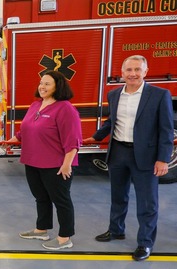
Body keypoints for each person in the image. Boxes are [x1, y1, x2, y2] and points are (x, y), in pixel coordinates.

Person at [83, 55, 173, 261]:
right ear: (122, 73)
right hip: (118, 153)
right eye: (129, 70)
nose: (133, 74)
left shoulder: (159, 95)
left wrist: (162, 159)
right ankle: (116, 230)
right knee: (118, 196)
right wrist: (96, 136)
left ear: (145, 72)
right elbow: (111, 121)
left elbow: (166, 130)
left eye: (137, 70)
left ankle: (145, 243)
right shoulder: (114, 94)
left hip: (146, 156)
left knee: (147, 202)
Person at [5, 70, 81, 250]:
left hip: (55, 164)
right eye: (41, 82)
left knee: (61, 200)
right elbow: (27, 129)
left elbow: (73, 140)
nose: (42, 86)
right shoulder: (36, 105)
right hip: (32, 161)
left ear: (57, 86)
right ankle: (41, 229)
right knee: (41, 197)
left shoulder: (65, 108)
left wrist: (67, 164)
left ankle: (65, 238)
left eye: (47, 83)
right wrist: (16, 138)